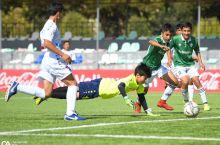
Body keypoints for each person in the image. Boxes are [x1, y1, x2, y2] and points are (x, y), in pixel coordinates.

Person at [4, 2, 86, 121]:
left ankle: (17, 87)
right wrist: (63, 54)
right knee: (73, 84)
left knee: (47, 93)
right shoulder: (51, 25)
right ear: (58, 13)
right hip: (53, 61)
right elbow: (47, 43)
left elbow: (46, 44)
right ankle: (70, 113)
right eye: (61, 13)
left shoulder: (47, 25)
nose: (61, 16)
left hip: (48, 60)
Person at [35, 63, 159, 116]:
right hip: (99, 88)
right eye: (145, 77)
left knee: (73, 89)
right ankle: (47, 94)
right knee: (75, 94)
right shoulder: (131, 79)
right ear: (138, 75)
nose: (146, 80)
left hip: (101, 84)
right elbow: (121, 86)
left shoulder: (139, 85)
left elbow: (141, 97)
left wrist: (147, 110)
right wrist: (126, 98)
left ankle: (46, 94)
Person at [134, 23, 181, 113]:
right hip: (147, 68)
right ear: (162, 33)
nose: (168, 37)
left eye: (170, 35)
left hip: (158, 67)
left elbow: (167, 48)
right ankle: (138, 103)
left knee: (175, 82)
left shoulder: (168, 41)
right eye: (166, 35)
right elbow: (151, 42)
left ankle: (162, 101)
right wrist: (160, 46)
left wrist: (169, 59)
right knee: (144, 90)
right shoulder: (158, 39)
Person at [165, 22, 210, 111]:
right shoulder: (175, 39)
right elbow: (168, 48)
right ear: (181, 31)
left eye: (188, 31)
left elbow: (197, 51)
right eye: (184, 31)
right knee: (185, 81)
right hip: (179, 65)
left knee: (196, 81)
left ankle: (205, 104)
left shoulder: (194, 40)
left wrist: (201, 62)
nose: (186, 33)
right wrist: (169, 59)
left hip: (190, 65)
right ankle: (186, 101)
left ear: (191, 31)